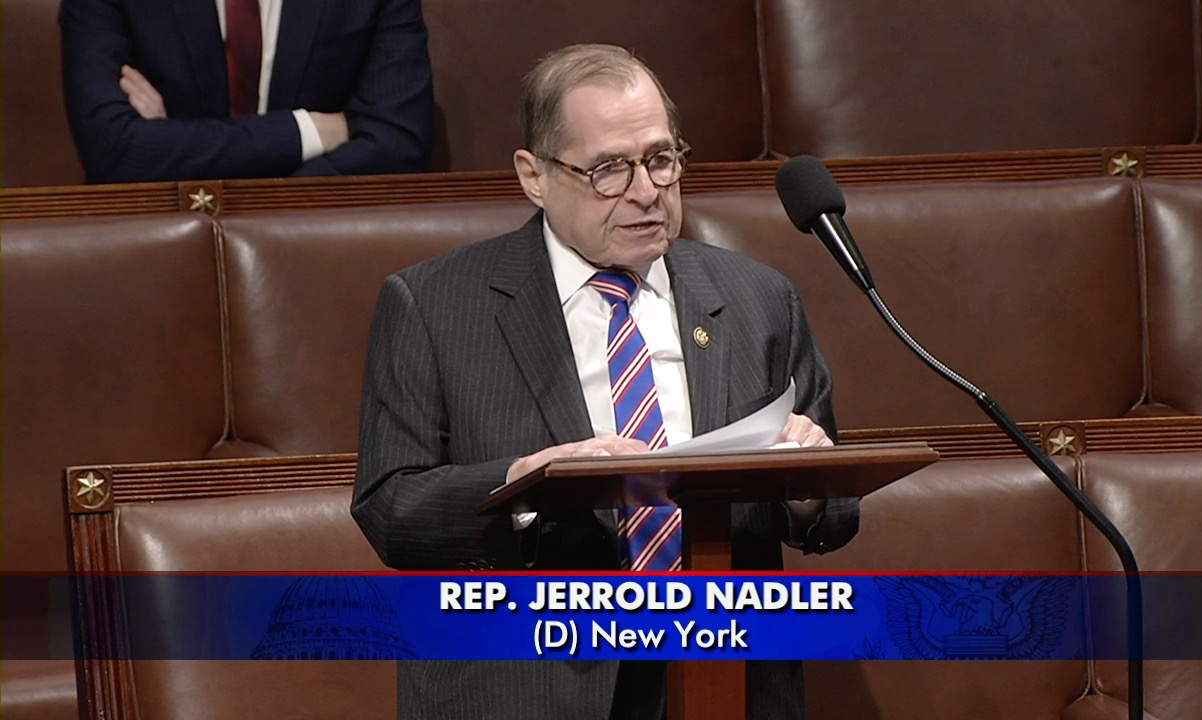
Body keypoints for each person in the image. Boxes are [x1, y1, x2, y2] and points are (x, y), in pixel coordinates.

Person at [352, 44, 858, 720]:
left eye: (660, 158)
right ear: (534, 176)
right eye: (610, 170)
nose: (647, 190)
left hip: (725, 680)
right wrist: (525, 483)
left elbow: (834, 511)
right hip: (529, 688)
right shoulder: (435, 305)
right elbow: (389, 510)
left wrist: (804, 492)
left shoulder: (759, 299)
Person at [59, 0, 433, 183]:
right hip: (157, 247)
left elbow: (399, 142)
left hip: (314, 244)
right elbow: (114, 150)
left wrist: (174, 146)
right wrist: (310, 131)